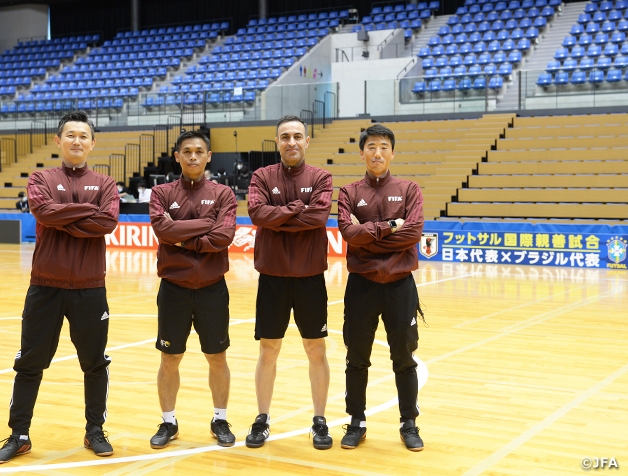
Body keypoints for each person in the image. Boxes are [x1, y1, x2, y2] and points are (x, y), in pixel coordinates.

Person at [0, 111, 120, 465]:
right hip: (45, 286)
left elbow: (107, 221)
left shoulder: (106, 183)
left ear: (93, 143)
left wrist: (64, 214)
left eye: (83, 136)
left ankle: (95, 430)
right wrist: (83, 215)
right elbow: (44, 213)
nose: (77, 141)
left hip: (91, 288)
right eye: (70, 135)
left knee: (94, 363)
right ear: (58, 140)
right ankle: (19, 435)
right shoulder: (40, 177)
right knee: (29, 363)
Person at [246, 115, 333, 450]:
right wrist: (298, 208)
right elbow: (257, 215)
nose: (292, 142)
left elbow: (318, 217)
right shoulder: (261, 176)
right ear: (278, 142)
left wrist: (279, 213)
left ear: (307, 141)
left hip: (310, 275)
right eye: (285, 137)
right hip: (273, 276)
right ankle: (262, 418)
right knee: (269, 349)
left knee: (316, 349)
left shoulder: (321, 177)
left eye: (298, 136)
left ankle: (320, 420)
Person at [337, 124, 425, 452]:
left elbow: (413, 234)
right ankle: (356, 421)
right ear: (362, 153)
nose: (377, 152)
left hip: (401, 285)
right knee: (356, 356)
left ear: (392, 152)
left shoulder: (409, 189)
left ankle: (409, 422)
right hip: (362, 285)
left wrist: (368, 236)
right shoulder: (348, 193)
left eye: (384, 147)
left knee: (404, 357)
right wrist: (390, 227)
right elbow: (348, 233)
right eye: (371, 146)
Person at [148, 130, 238, 449]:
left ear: (209, 156)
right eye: (186, 151)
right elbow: (162, 229)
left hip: (213, 288)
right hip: (173, 288)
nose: (193, 157)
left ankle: (220, 418)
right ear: (177, 156)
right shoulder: (160, 192)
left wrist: (180, 237)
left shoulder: (224, 194)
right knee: (170, 358)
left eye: (199, 151)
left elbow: (224, 236)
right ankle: (168, 422)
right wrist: (206, 225)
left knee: (217, 357)